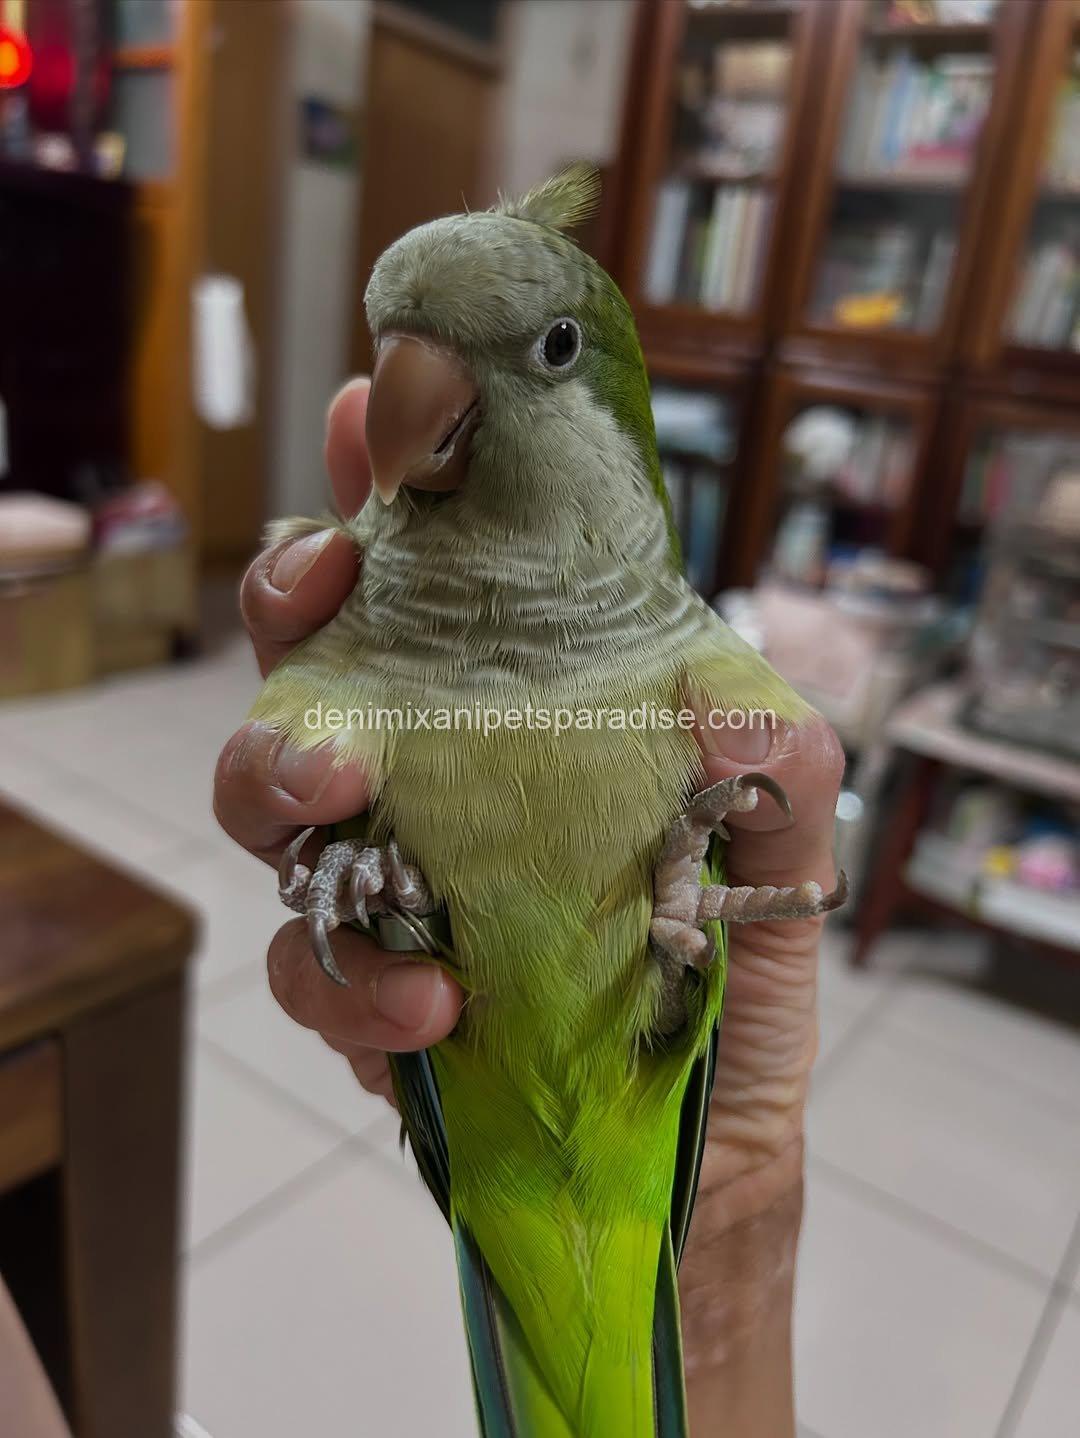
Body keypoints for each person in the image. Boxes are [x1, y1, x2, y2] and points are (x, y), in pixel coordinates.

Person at [214, 378, 844, 1438]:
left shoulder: (663, 635)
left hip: (651, 1064)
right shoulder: (365, 594)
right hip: (470, 1046)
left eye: (549, 351)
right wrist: (347, 862)